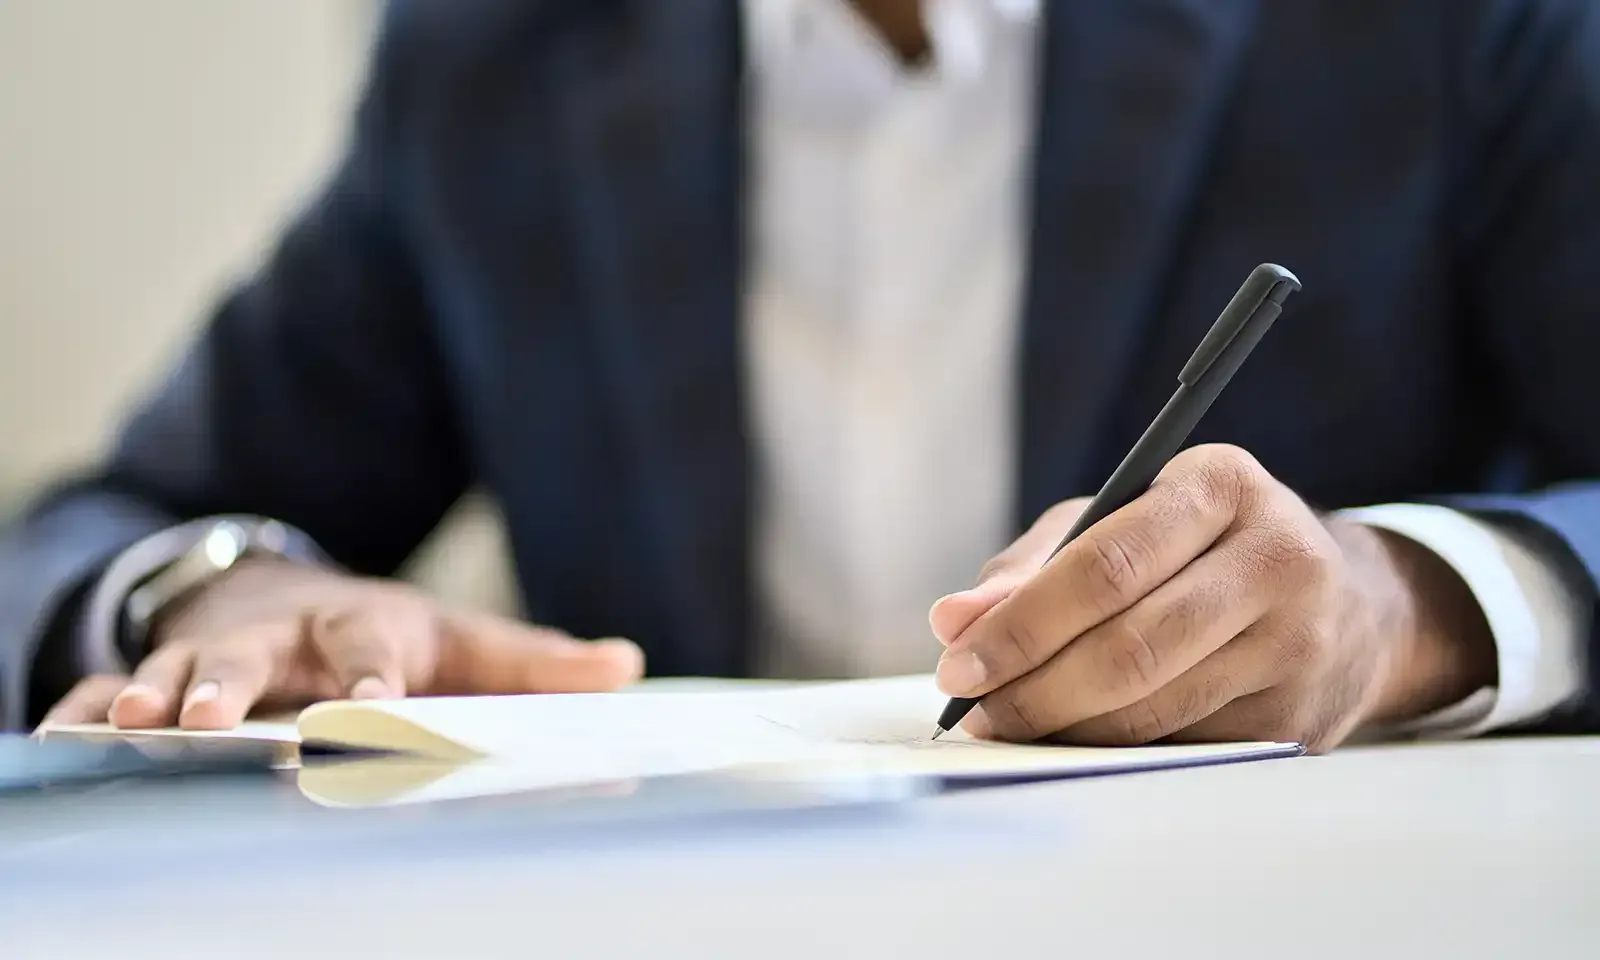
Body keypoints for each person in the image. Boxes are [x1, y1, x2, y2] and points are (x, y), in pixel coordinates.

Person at [2, 0, 1597, 752]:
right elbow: (111, 521)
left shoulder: (1446, 28)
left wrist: (1410, 609)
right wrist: (207, 592)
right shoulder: (491, 59)